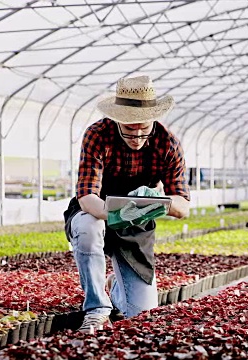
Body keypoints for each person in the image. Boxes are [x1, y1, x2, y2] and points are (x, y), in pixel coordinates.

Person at [63, 75, 190, 333]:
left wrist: (158, 202)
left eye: (144, 128)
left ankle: (115, 287)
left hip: (138, 222)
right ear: (117, 119)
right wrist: (115, 214)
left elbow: (183, 206)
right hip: (96, 210)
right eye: (130, 128)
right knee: (88, 228)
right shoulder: (98, 135)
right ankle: (97, 309)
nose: (137, 136)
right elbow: (86, 195)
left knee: (142, 313)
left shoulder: (168, 143)